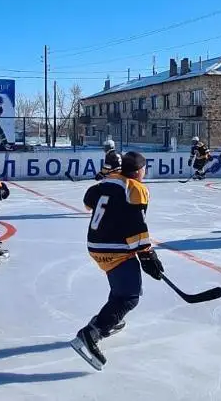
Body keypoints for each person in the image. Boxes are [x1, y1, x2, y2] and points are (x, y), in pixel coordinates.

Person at [70, 151, 164, 371]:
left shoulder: (109, 181)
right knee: (129, 297)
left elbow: (88, 201)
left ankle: (108, 320)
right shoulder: (136, 188)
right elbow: (137, 226)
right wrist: (147, 254)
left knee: (120, 291)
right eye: (144, 169)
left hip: (95, 245)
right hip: (115, 248)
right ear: (139, 171)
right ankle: (91, 333)